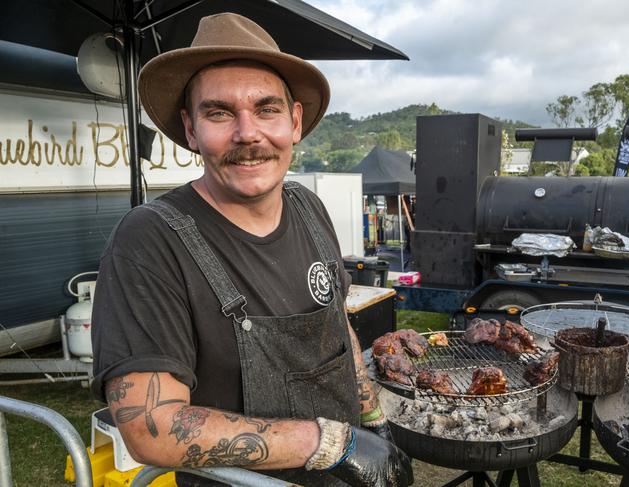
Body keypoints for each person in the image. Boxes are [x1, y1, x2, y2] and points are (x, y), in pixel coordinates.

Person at [91, 12, 412, 487]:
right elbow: (150, 428)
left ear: (295, 121)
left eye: (267, 109)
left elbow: (335, 322)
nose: (248, 133)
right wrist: (328, 444)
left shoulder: (308, 207)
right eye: (219, 112)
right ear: (191, 129)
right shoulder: (150, 241)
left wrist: (373, 415)